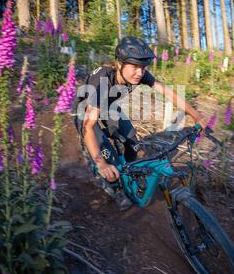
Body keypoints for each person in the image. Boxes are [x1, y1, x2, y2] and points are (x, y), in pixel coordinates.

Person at [74, 37, 206, 210]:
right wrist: (101, 163)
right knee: (108, 160)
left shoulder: (139, 73)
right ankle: (115, 188)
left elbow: (166, 91)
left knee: (133, 143)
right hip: (85, 111)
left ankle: (130, 172)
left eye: (143, 67)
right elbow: (88, 127)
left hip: (108, 106)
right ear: (119, 64)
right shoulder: (103, 81)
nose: (140, 72)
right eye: (135, 66)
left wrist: (196, 115)